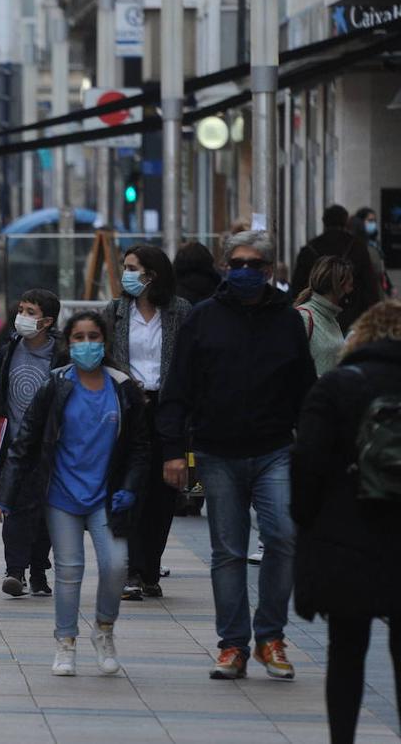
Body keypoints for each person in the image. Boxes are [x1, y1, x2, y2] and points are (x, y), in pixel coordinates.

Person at [159, 229, 317, 681]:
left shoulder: (287, 321)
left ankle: (270, 637)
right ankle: (233, 645)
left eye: (256, 264)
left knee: (284, 537)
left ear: (269, 271)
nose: (246, 271)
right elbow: (178, 389)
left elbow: (305, 389)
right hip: (216, 451)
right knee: (227, 551)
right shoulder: (203, 319)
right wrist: (174, 451)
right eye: (238, 263)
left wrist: (312, 445)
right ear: (226, 266)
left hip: (274, 450)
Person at [0, 311, 147, 677]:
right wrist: (6, 494)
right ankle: (66, 642)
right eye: (78, 338)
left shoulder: (122, 387)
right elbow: (26, 441)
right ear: (68, 343)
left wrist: (129, 487)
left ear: (105, 342)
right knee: (69, 570)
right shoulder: (56, 384)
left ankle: (104, 630)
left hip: (106, 497)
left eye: (93, 337)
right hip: (61, 495)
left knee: (115, 565)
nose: (86, 344)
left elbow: (141, 446)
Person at [291, 301, 401, 744]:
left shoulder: (336, 386)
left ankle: (343, 739)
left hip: (345, 537)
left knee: (347, 651)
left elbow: (307, 464)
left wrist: (307, 522)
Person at [104, 245, 191, 601]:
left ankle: (150, 567)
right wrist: (123, 382)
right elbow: (104, 355)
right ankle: (131, 569)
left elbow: (189, 361)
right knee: (130, 486)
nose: (126, 274)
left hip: (169, 408)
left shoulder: (180, 312)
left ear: (152, 274)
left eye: (132, 268)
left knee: (164, 492)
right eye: (125, 267)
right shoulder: (116, 311)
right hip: (129, 407)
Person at [0, 288, 61, 597]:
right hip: (14, 446)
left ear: (47, 321)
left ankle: (39, 568)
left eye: (31, 312)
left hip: (51, 448)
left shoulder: (62, 354)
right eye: (22, 309)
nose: (23, 317)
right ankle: (15, 570)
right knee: (12, 506)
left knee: (44, 510)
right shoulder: (7, 352)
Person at [292, 204, 381, 331]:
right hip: (352, 315)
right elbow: (370, 286)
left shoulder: (310, 249)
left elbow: (298, 286)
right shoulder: (357, 247)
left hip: (317, 316)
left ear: (324, 221)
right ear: (345, 221)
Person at [293, 256, 353, 377]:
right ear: (338, 285)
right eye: (350, 285)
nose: (351, 291)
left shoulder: (331, 318)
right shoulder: (303, 317)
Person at [351, 207, 393, 299]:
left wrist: (389, 287)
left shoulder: (375, 243)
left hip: (379, 287)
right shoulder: (357, 244)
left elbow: (381, 268)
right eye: (370, 221)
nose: (373, 224)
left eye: (374, 221)